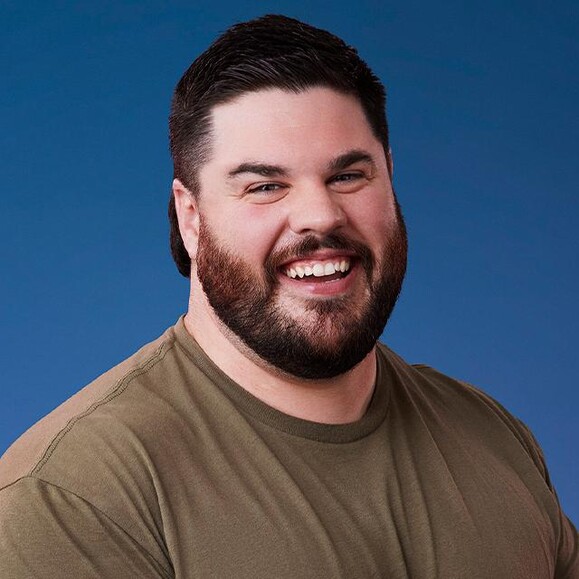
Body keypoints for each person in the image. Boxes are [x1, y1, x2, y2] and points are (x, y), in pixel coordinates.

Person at [0, 14, 576, 579]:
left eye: (348, 176)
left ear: (390, 178)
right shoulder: (72, 498)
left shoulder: (494, 437)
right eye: (265, 186)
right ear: (191, 217)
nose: (321, 215)